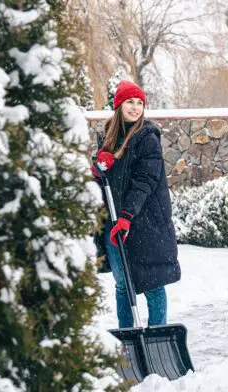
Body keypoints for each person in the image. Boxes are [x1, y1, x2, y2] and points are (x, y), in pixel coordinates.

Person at [91, 80, 181, 329]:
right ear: (118, 105)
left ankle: (157, 334)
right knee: (123, 286)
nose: (135, 107)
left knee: (152, 284)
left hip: (144, 224)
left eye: (139, 103)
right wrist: (98, 169)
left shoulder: (147, 137)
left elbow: (146, 180)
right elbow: (105, 181)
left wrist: (127, 215)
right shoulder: (108, 138)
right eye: (130, 102)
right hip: (114, 222)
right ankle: (128, 338)